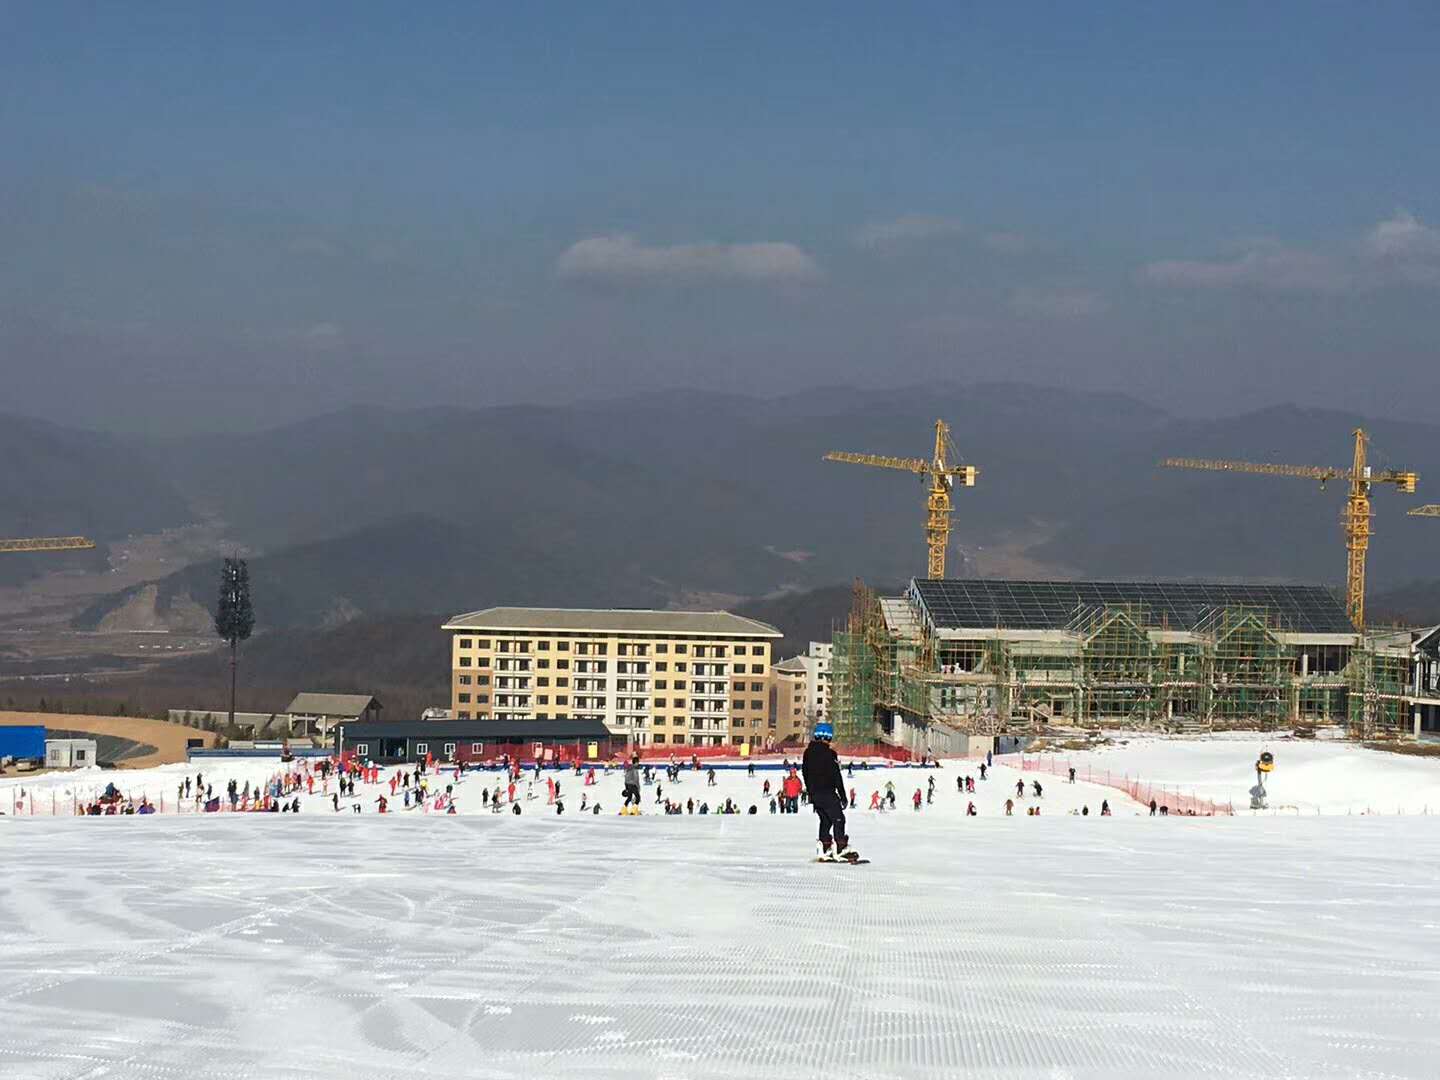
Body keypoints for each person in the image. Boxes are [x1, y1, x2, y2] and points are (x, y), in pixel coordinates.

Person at [802, 721, 853, 861]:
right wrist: (842, 796)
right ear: (828, 737)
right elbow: (836, 776)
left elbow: (805, 773)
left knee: (825, 820)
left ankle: (824, 847)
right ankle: (840, 848)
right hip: (827, 793)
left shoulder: (808, 753)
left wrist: (811, 791)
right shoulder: (830, 754)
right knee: (839, 819)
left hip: (815, 794)